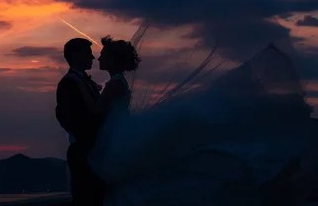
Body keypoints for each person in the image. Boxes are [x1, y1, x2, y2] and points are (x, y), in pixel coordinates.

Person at [87, 34, 318, 206]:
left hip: (116, 131)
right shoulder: (118, 83)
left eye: (103, 55)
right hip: (119, 129)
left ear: (113, 60)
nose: (99, 57)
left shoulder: (114, 84)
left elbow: (96, 112)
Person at [55, 37, 125, 206]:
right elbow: (67, 117)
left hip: (94, 149)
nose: (93, 58)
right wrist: (90, 142)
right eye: (88, 53)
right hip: (85, 150)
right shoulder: (68, 83)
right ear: (75, 55)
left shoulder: (85, 81)